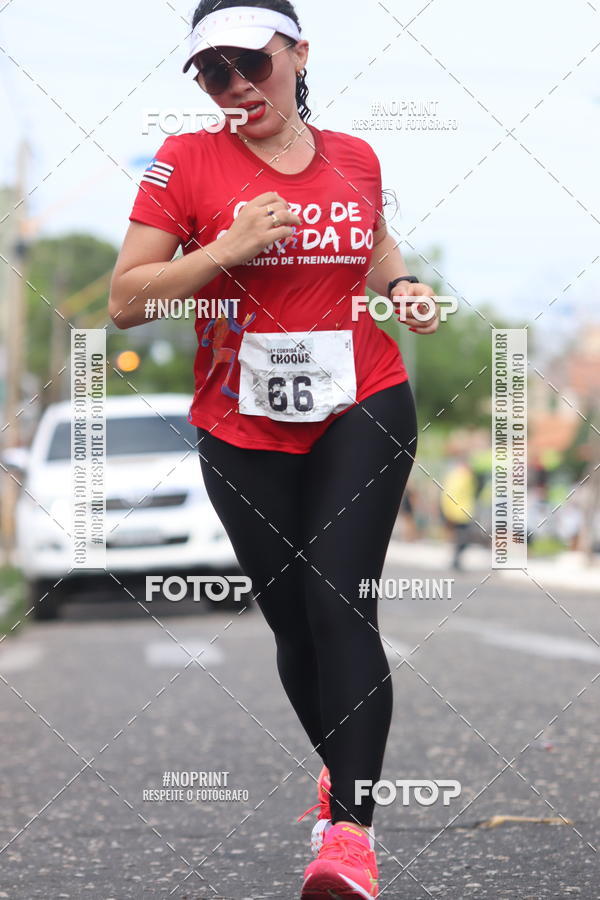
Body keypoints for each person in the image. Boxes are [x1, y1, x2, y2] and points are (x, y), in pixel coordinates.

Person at [109, 2, 441, 896]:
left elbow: (366, 242)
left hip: (361, 401)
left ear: (298, 53)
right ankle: (343, 767)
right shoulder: (187, 161)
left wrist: (402, 284)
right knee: (294, 624)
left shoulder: (357, 157)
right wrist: (227, 246)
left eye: (250, 64)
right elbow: (127, 300)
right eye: (213, 73)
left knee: (341, 605)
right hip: (240, 424)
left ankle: (349, 836)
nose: (235, 87)